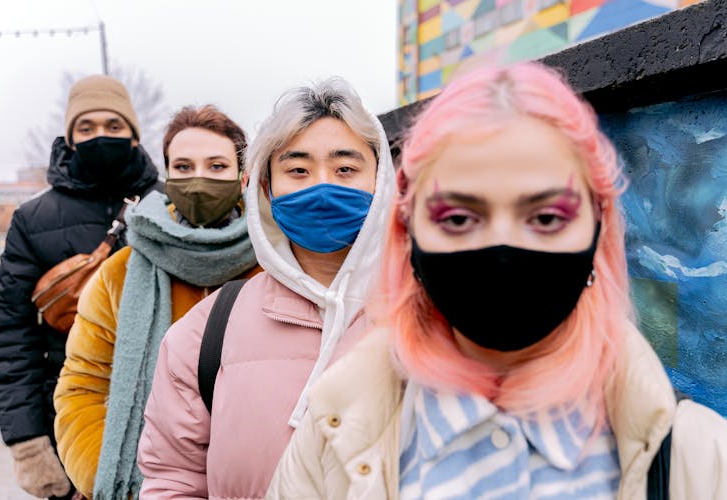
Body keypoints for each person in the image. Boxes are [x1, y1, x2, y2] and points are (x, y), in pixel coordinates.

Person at [266, 62, 727, 499]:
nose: (503, 248)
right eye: (459, 218)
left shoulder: (698, 456)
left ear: (598, 229)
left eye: (546, 217)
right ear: (408, 234)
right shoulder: (332, 434)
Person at [136, 77, 395, 499]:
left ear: (381, 181)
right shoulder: (205, 333)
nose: (322, 187)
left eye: (346, 168)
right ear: (265, 187)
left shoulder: (434, 317)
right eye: (298, 170)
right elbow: (173, 481)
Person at [52, 104, 260, 499]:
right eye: (183, 167)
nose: (198, 180)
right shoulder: (120, 273)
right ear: (167, 176)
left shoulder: (276, 267)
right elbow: (83, 386)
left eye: (216, 166)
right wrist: (110, 480)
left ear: (243, 176)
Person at [0, 74, 160, 500]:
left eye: (114, 126)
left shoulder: (167, 204)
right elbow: (13, 335)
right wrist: (28, 444)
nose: (101, 136)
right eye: (86, 128)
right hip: (68, 422)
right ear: (69, 138)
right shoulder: (33, 220)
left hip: (162, 420)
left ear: (134, 137)